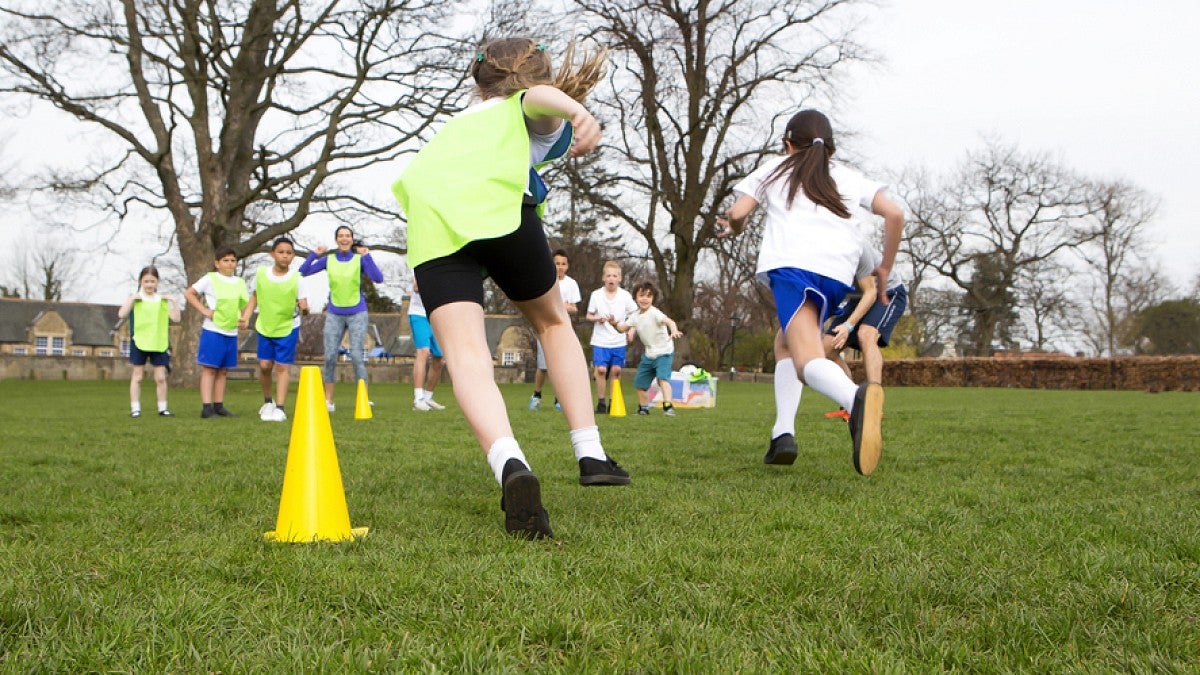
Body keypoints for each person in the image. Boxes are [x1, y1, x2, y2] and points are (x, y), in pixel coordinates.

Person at [392, 37, 629, 540]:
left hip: (433, 227)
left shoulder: (454, 126)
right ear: (537, 78)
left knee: (466, 357)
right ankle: (589, 452)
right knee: (551, 321)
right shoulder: (518, 109)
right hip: (499, 214)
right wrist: (577, 110)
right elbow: (534, 102)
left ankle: (510, 464)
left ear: (478, 81)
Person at [715, 109, 903, 475]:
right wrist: (884, 266)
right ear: (829, 148)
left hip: (793, 271)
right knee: (784, 342)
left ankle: (857, 402)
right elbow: (894, 215)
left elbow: (738, 212)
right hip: (836, 276)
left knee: (805, 362)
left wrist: (734, 227)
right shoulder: (848, 176)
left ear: (788, 144)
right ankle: (782, 433)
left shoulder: (777, 167)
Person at [299, 226, 383, 413]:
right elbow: (302, 272)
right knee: (329, 356)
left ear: (352, 240)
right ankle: (328, 400)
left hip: (357, 313)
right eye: (341, 236)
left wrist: (367, 255)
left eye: (348, 236)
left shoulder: (359, 260)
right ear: (336, 240)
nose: (344, 239)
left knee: (356, 355)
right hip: (335, 313)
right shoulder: (328, 260)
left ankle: (363, 397)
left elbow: (378, 278)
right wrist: (314, 254)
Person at [241, 237, 308, 422]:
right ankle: (268, 401)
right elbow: (254, 297)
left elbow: (305, 308)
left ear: (293, 256)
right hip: (265, 326)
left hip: (288, 327)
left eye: (289, 253)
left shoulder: (297, 278)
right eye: (281, 252)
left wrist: (304, 308)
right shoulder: (261, 274)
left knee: (282, 366)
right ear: (273, 254)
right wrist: (246, 317)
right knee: (264, 366)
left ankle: (280, 408)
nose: (285, 256)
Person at [184, 246, 250, 418]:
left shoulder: (240, 282)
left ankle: (219, 405)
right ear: (217, 263)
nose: (229, 264)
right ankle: (206, 407)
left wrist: (244, 319)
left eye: (233, 260)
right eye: (225, 260)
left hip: (231, 331)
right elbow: (190, 293)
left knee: (223, 370)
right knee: (210, 369)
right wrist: (204, 310)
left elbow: (245, 305)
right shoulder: (210, 278)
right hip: (213, 330)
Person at [117, 265, 181, 418]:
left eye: (152, 281)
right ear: (141, 281)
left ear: (157, 282)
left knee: (160, 377)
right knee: (138, 376)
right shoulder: (136, 299)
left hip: (158, 342)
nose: (149, 284)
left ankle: (163, 408)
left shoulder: (161, 300)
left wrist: (173, 301)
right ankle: (135, 409)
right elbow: (121, 314)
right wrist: (131, 299)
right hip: (139, 341)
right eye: (146, 281)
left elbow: (176, 318)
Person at [611, 281, 683, 416]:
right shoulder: (635, 316)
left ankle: (668, 407)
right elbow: (621, 329)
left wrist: (674, 331)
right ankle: (643, 409)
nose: (644, 299)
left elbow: (670, 321)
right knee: (640, 383)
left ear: (653, 299)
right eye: (641, 295)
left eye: (648, 296)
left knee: (662, 378)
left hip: (664, 352)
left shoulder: (655, 313)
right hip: (649, 355)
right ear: (636, 298)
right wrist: (614, 323)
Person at [528, 248, 581, 411]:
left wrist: (563, 307)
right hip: (544, 327)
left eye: (563, 264)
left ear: (568, 266)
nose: (560, 267)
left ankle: (560, 399)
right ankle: (536, 395)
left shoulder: (571, 284)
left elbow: (574, 308)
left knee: (561, 364)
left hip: (563, 329)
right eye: (556, 263)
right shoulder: (545, 280)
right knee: (543, 366)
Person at [585, 260, 637, 414]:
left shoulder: (625, 296)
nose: (611, 278)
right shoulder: (596, 295)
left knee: (616, 370)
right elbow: (588, 315)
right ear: (603, 278)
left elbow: (635, 315)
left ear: (620, 278)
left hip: (618, 340)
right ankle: (601, 403)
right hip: (600, 340)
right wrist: (597, 319)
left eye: (614, 276)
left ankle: (614, 401)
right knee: (601, 370)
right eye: (608, 275)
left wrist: (631, 331)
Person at [408, 276, 446, 411]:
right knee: (423, 351)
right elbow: (417, 287)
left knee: (439, 358)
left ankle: (427, 397)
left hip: (437, 314)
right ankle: (418, 398)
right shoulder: (421, 262)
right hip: (419, 314)